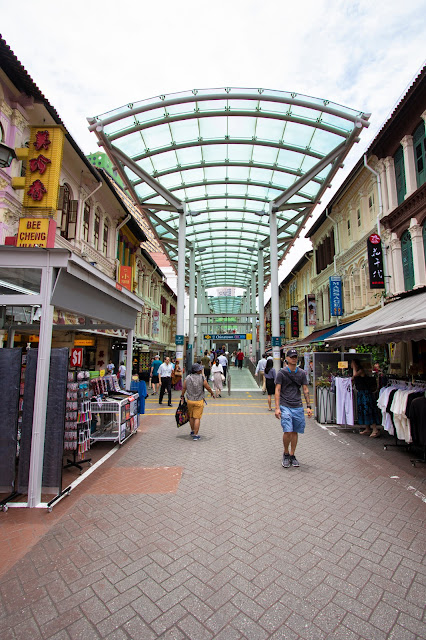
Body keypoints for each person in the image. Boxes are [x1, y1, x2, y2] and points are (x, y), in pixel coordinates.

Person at [275, 348, 312, 468]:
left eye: (295, 357)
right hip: (285, 405)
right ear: (287, 359)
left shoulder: (301, 373)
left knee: (295, 431)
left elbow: (305, 390)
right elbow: (277, 390)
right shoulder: (281, 373)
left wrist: (309, 406)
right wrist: (277, 408)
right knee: (288, 430)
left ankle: (292, 454)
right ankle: (285, 453)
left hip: (298, 406)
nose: (294, 359)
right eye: (291, 357)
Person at [181, 363, 215, 440]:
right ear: (197, 371)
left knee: (191, 417)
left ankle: (192, 431)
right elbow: (207, 387)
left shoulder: (187, 378)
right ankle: (196, 435)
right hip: (199, 400)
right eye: (199, 369)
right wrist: (212, 393)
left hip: (189, 400)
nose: (201, 370)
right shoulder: (202, 378)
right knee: (197, 418)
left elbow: (184, 388)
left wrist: (182, 396)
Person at [351, 359, 381, 437]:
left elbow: (354, 376)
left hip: (365, 393)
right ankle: (367, 428)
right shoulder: (358, 371)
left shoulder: (360, 371)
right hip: (361, 393)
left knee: (368, 410)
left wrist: (354, 366)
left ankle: (375, 429)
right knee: (362, 410)